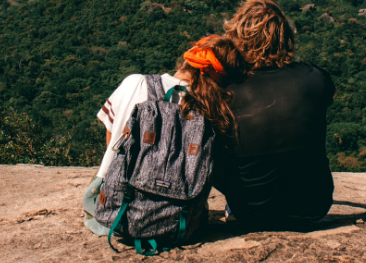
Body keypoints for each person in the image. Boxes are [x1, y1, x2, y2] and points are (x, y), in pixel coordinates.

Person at [83, 35, 249, 236]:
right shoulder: (214, 110)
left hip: (115, 209)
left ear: (187, 59)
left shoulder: (135, 83)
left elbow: (112, 141)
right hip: (180, 217)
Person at [215, 0, 336, 230]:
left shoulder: (226, 90)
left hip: (250, 211)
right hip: (314, 206)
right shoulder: (315, 78)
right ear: (286, 37)